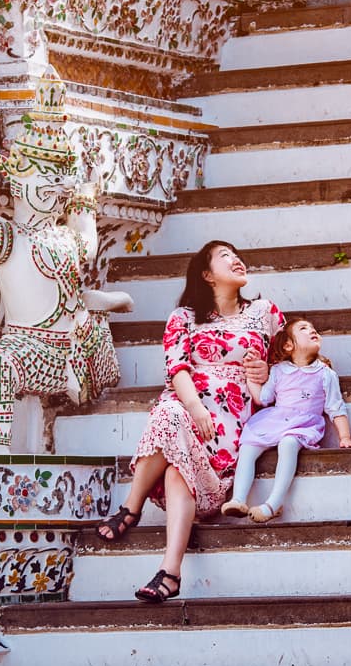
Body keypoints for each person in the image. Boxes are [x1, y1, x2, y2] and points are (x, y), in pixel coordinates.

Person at [95, 240, 283, 602]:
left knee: (177, 471)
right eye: (225, 256)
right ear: (207, 274)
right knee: (168, 411)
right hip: (189, 406)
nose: (237, 260)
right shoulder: (183, 317)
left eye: (238, 255)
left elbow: (290, 357)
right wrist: (197, 409)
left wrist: (267, 369)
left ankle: (168, 570)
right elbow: (177, 368)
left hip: (229, 426)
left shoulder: (266, 312)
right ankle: (134, 511)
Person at [223, 317, 351, 523]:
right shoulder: (279, 370)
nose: (312, 330)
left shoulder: (325, 374)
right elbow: (263, 398)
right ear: (288, 345)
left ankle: (273, 503)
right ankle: (238, 499)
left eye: (314, 328)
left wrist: (345, 436)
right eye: (304, 329)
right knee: (249, 446)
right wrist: (250, 374)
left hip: (303, 425)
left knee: (288, 444)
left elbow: (335, 407)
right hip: (276, 418)